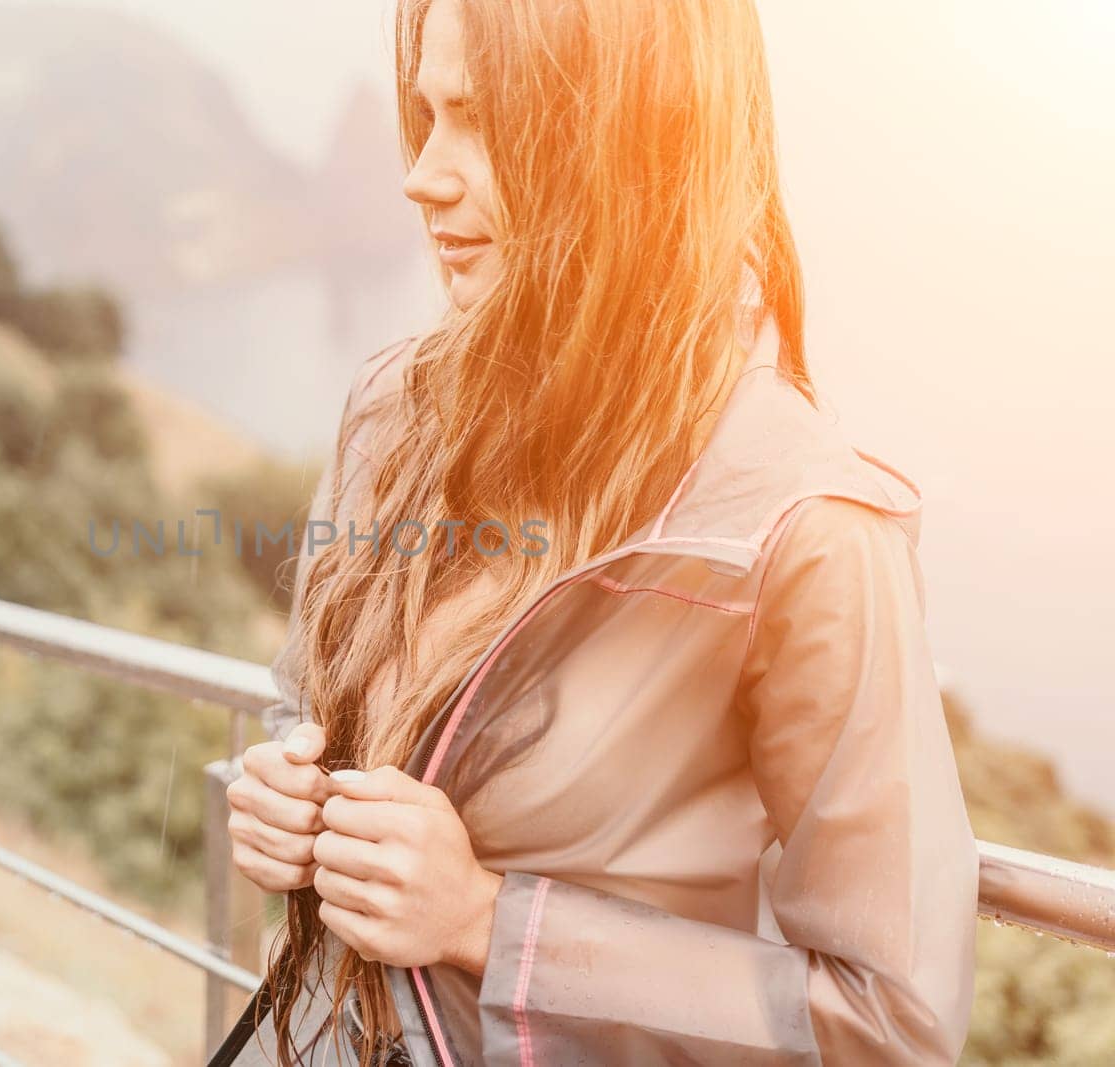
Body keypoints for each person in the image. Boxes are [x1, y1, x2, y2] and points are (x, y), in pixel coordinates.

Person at [217, 0, 979, 1064]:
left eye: (481, 119)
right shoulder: (393, 411)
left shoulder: (805, 529)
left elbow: (888, 1019)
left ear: (626, 142)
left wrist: (487, 922)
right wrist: (282, 796)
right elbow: (303, 706)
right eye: (425, 114)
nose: (422, 173)